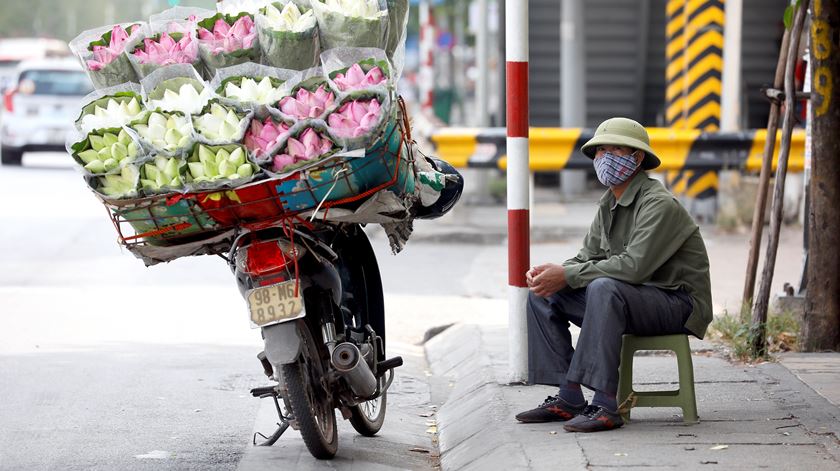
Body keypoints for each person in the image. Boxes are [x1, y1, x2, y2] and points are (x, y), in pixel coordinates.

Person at [514, 117, 712, 433]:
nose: (606, 158)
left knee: (605, 288)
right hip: (631, 298)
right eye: (600, 151)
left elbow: (633, 267)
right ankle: (570, 396)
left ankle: (606, 405)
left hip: (677, 303)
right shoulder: (610, 202)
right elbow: (585, 258)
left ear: (636, 158)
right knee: (544, 292)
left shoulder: (658, 203)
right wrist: (554, 274)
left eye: (615, 150)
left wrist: (568, 274)